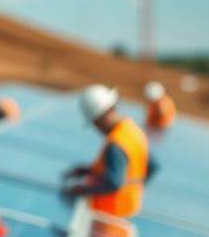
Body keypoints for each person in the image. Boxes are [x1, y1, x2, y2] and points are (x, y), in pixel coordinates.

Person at [62, 85, 158, 218]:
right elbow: (152, 166)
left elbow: (114, 183)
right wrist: (87, 171)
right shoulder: (132, 129)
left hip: (108, 213)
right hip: (126, 208)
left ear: (101, 117)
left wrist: (82, 190)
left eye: (95, 123)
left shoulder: (116, 144)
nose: (96, 128)